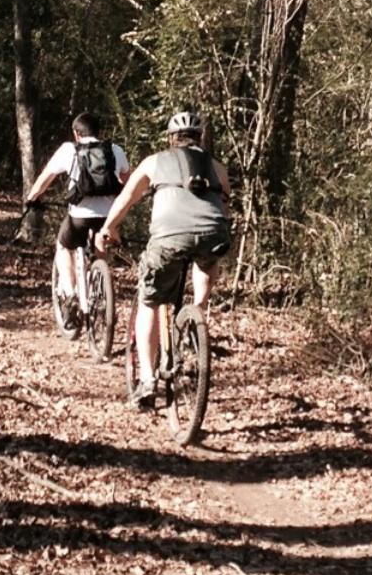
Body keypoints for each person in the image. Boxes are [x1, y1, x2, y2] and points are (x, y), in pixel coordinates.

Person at [97, 110, 231, 405]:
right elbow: (224, 208)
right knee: (207, 255)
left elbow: (126, 199)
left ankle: (147, 380)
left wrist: (108, 228)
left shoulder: (154, 161)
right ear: (200, 139)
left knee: (150, 301)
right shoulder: (217, 167)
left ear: (172, 139)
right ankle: (196, 315)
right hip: (214, 234)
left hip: (168, 239)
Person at [25, 112, 130, 325]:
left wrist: (32, 199)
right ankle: (102, 288)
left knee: (64, 246)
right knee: (101, 243)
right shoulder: (115, 150)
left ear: (76, 133)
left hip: (79, 217)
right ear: (99, 131)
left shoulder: (69, 150)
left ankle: (70, 293)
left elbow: (46, 178)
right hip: (108, 217)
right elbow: (128, 182)